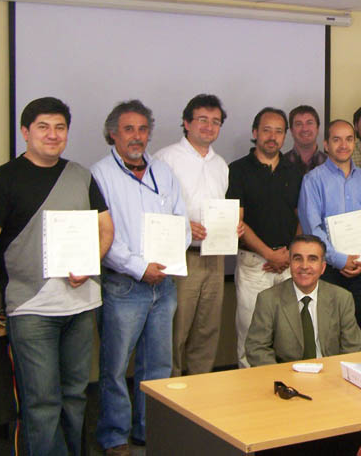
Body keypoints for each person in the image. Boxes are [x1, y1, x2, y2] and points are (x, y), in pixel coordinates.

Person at [0, 97, 113, 456]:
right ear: (25, 132)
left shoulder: (80, 175)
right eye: (43, 127)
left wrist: (90, 261)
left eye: (60, 127)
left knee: (75, 396)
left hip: (81, 306)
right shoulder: (3, 179)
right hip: (31, 309)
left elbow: (105, 229)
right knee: (41, 403)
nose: (52, 134)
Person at [91, 100, 190, 455]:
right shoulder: (100, 174)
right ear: (113, 134)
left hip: (164, 285)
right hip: (123, 285)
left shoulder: (162, 172)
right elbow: (104, 236)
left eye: (143, 129)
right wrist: (138, 267)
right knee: (115, 367)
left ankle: (149, 431)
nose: (137, 136)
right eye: (128, 129)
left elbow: (182, 222)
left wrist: (169, 259)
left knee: (158, 365)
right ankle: (114, 436)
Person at [154, 94, 232, 376]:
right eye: (202, 120)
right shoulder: (165, 159)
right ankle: (171, 391)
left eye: (216, 121)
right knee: (177, 330)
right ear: (186, 123)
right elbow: (154, 210)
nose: (209, 127)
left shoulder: (220, 165)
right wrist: (185, 225)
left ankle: (201, 390)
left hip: (215, 257)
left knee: (207, 330)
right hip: (180, 257)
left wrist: (230, 226)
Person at [227, 107, 302, 368]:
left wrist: (289, 254)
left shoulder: (294, 171)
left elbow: (301, 216)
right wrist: (269, 254)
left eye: (279, 131)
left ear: (285, 136)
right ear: (255, 132)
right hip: (254, 264)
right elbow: (237, 221)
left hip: (289, 263)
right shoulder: (237, 170)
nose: (272, 136)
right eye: (266, 130)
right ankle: (250, 390)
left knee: (289, 335)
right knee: (251, 334)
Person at [298, 119, 361, 342]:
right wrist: (339, 259)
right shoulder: (312, 180)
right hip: (327, 270)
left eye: (348, 139)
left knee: (359, 330)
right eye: (336, 139)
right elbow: (313, 228)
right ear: (326, 145)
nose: (343, 145)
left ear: (354, 143)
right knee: (328, 332)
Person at [244, 234, 361, 366]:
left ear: (323, 267)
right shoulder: (268, 299)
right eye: (298, 259)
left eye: (312, 259)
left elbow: (354, 348)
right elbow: (256, 348)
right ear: (290, 264)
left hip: (330, 372)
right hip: (286, 374)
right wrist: (281, 376)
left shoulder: (342, 298)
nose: (304, 266)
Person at [284, 104, 327, 175]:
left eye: (309, 123)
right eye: (298, 124)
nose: (305, 129)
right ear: (291, 130)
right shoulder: (280, 164)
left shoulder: (331, 165)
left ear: (318, 128)